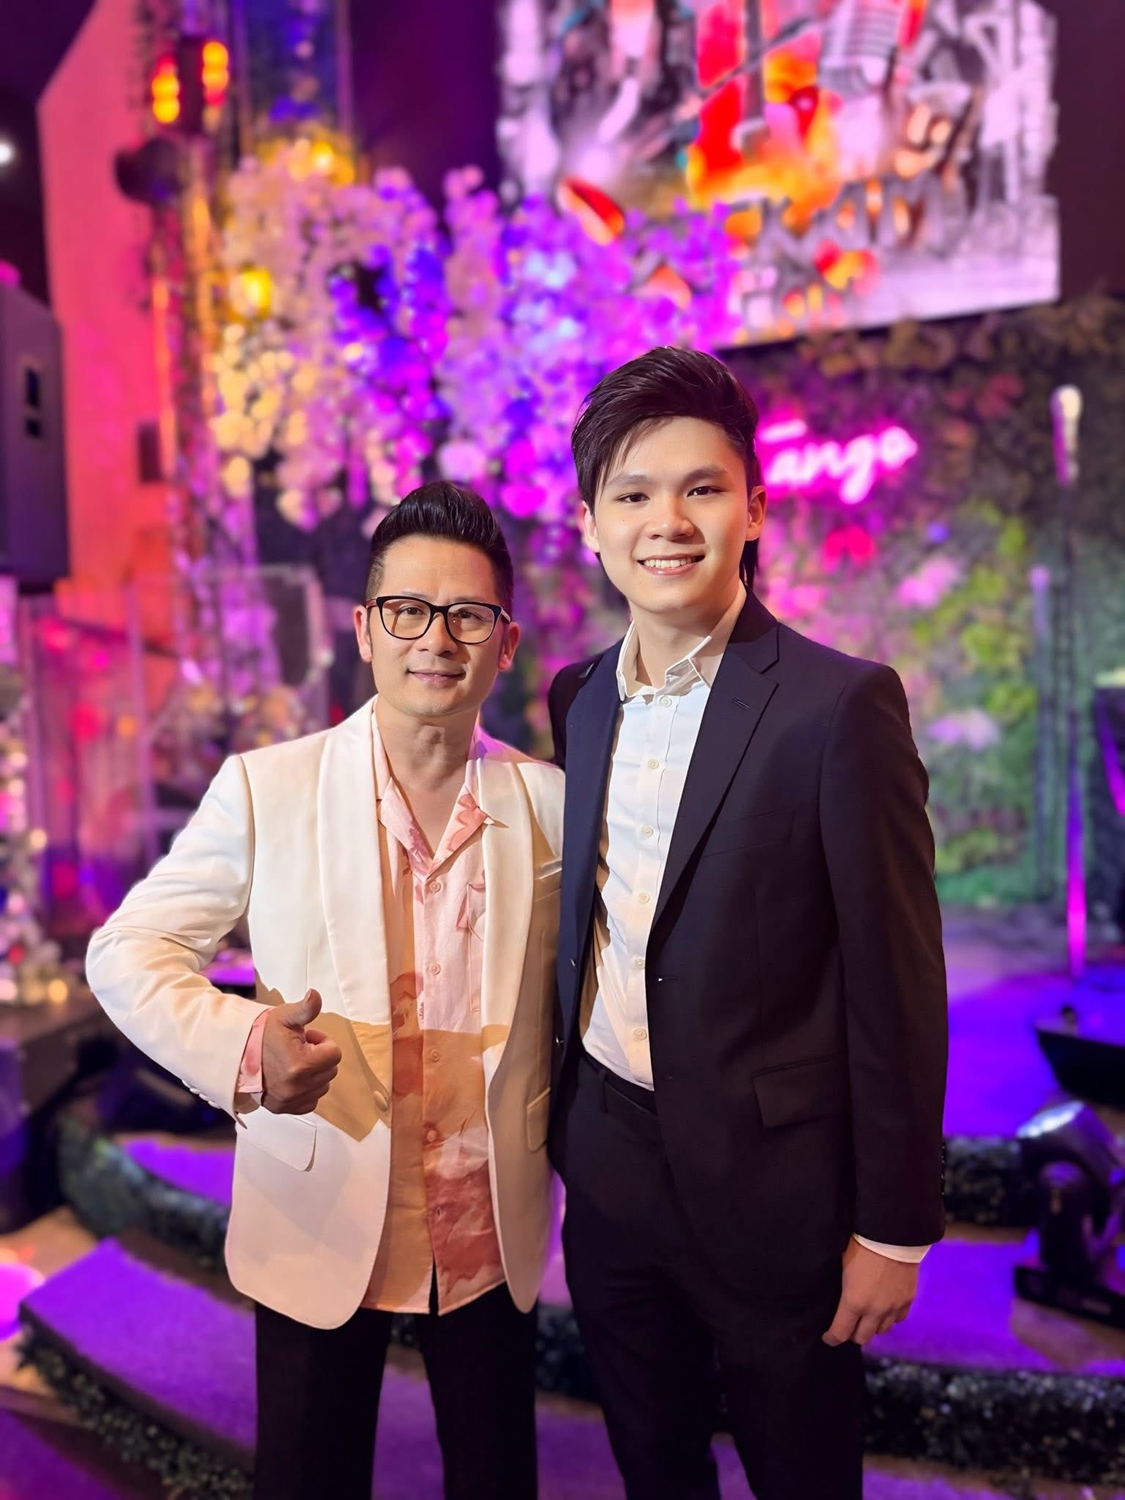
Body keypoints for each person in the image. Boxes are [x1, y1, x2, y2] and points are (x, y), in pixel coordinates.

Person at [87, 483, 565, 1500]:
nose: (435, 638)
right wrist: (246, 1047)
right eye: (408, 610)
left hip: (488, 1223)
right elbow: (126, 951)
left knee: (498, 1481)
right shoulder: (269, 788)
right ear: (363, 628)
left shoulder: (549, 803)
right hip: (318, 1202)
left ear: (505, 642)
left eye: (467, 615)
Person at [547, 347, 947, 1500]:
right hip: (610, 1169)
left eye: (701, 488)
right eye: (632, 494)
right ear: (590, 524)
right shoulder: (577, 698)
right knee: (653, 1467)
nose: (666, 522)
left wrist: (896, 1227)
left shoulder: (839, 705)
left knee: (801, 1474)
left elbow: (895, 984)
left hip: (779, 1189)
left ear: (755, 508)